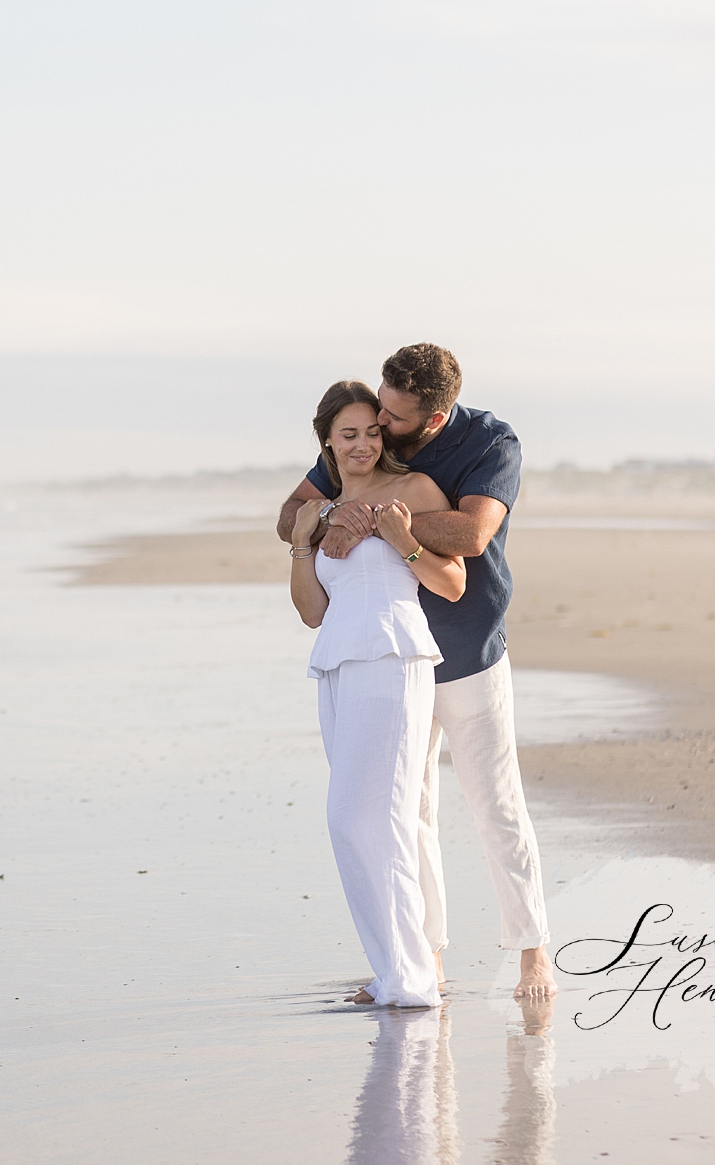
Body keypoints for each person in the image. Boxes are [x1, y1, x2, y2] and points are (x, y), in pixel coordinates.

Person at [278, 343, 556, 1000]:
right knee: (410, 812)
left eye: (395, 418)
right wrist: (324, 518)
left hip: (467, 649)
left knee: (496, 803)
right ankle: (423, 956)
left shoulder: (490, 443)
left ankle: (533, 951)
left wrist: (376, 521)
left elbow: (470, 534)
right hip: (388, 666)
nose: (380, 423)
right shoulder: (365, 435)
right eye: (379, 405)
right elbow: (290, 516)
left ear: (434, 418)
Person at [290, 379, 465, 1009]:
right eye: (348, 435)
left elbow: (451, 583)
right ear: (328, 443)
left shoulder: (413, 493)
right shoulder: (324, 508)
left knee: (374, 820)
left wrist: (404, 539)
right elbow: (311, 611)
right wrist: (304, 541)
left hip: (394, 657)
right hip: (338, 664)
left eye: (371, 431)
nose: (363, 444)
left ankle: (411, 980)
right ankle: (394, 971)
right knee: (352, 823)